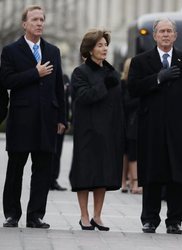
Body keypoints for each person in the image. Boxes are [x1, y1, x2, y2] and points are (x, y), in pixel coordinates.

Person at [128, 19, 182, 234]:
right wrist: (158, 78)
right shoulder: (141, 61)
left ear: (175, 35)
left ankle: (175, 220)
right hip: (151, 127)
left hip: (179, 129)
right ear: (155, 35)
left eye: (169, 31)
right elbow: (133, 89)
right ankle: (150, 218)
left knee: (177, 175)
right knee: (152, 174)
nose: (166, 35)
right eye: (162, 31)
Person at [0, 5, 66, 229]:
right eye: (35, 19)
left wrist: (62, 119)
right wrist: (34, 73)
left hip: (47, 120)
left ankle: (35, 216)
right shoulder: (10, 51)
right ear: (24, 24)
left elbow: (59, 87)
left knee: (42, 170)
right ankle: (11, 214)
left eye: (42, 19)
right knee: (15, 169)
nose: (39, 23)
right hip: (21, 119)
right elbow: (7, 81)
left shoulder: (53, 51)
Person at [69, 28, 124, 231]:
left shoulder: (112, 72)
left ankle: (97, 216)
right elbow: (84, 97)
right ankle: (84, 215)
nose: (104, 48)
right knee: (85, 173)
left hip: (109, 131)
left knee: (104, 173)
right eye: (100, 45)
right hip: (88, 131)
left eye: (105, 45)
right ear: (90, 49)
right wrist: (103, 85)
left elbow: (119, 103)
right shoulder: (80, 72)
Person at [121, 58, 142, 194]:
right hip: (128, 122)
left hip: (136, 122)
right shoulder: (124, 84)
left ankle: (127, 181)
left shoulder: (139, 83)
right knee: (129, 153)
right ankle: (131, 182)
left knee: (130, 153)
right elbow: (126, 103)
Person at [50, 74, 71, 191]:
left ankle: (53, 179)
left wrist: (66, 120)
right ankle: (47, 179)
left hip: (61, 121)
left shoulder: (65, 78)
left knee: (58, 152)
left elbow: (67, 101)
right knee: (50, 152)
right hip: (51, 120)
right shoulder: (50, 75)